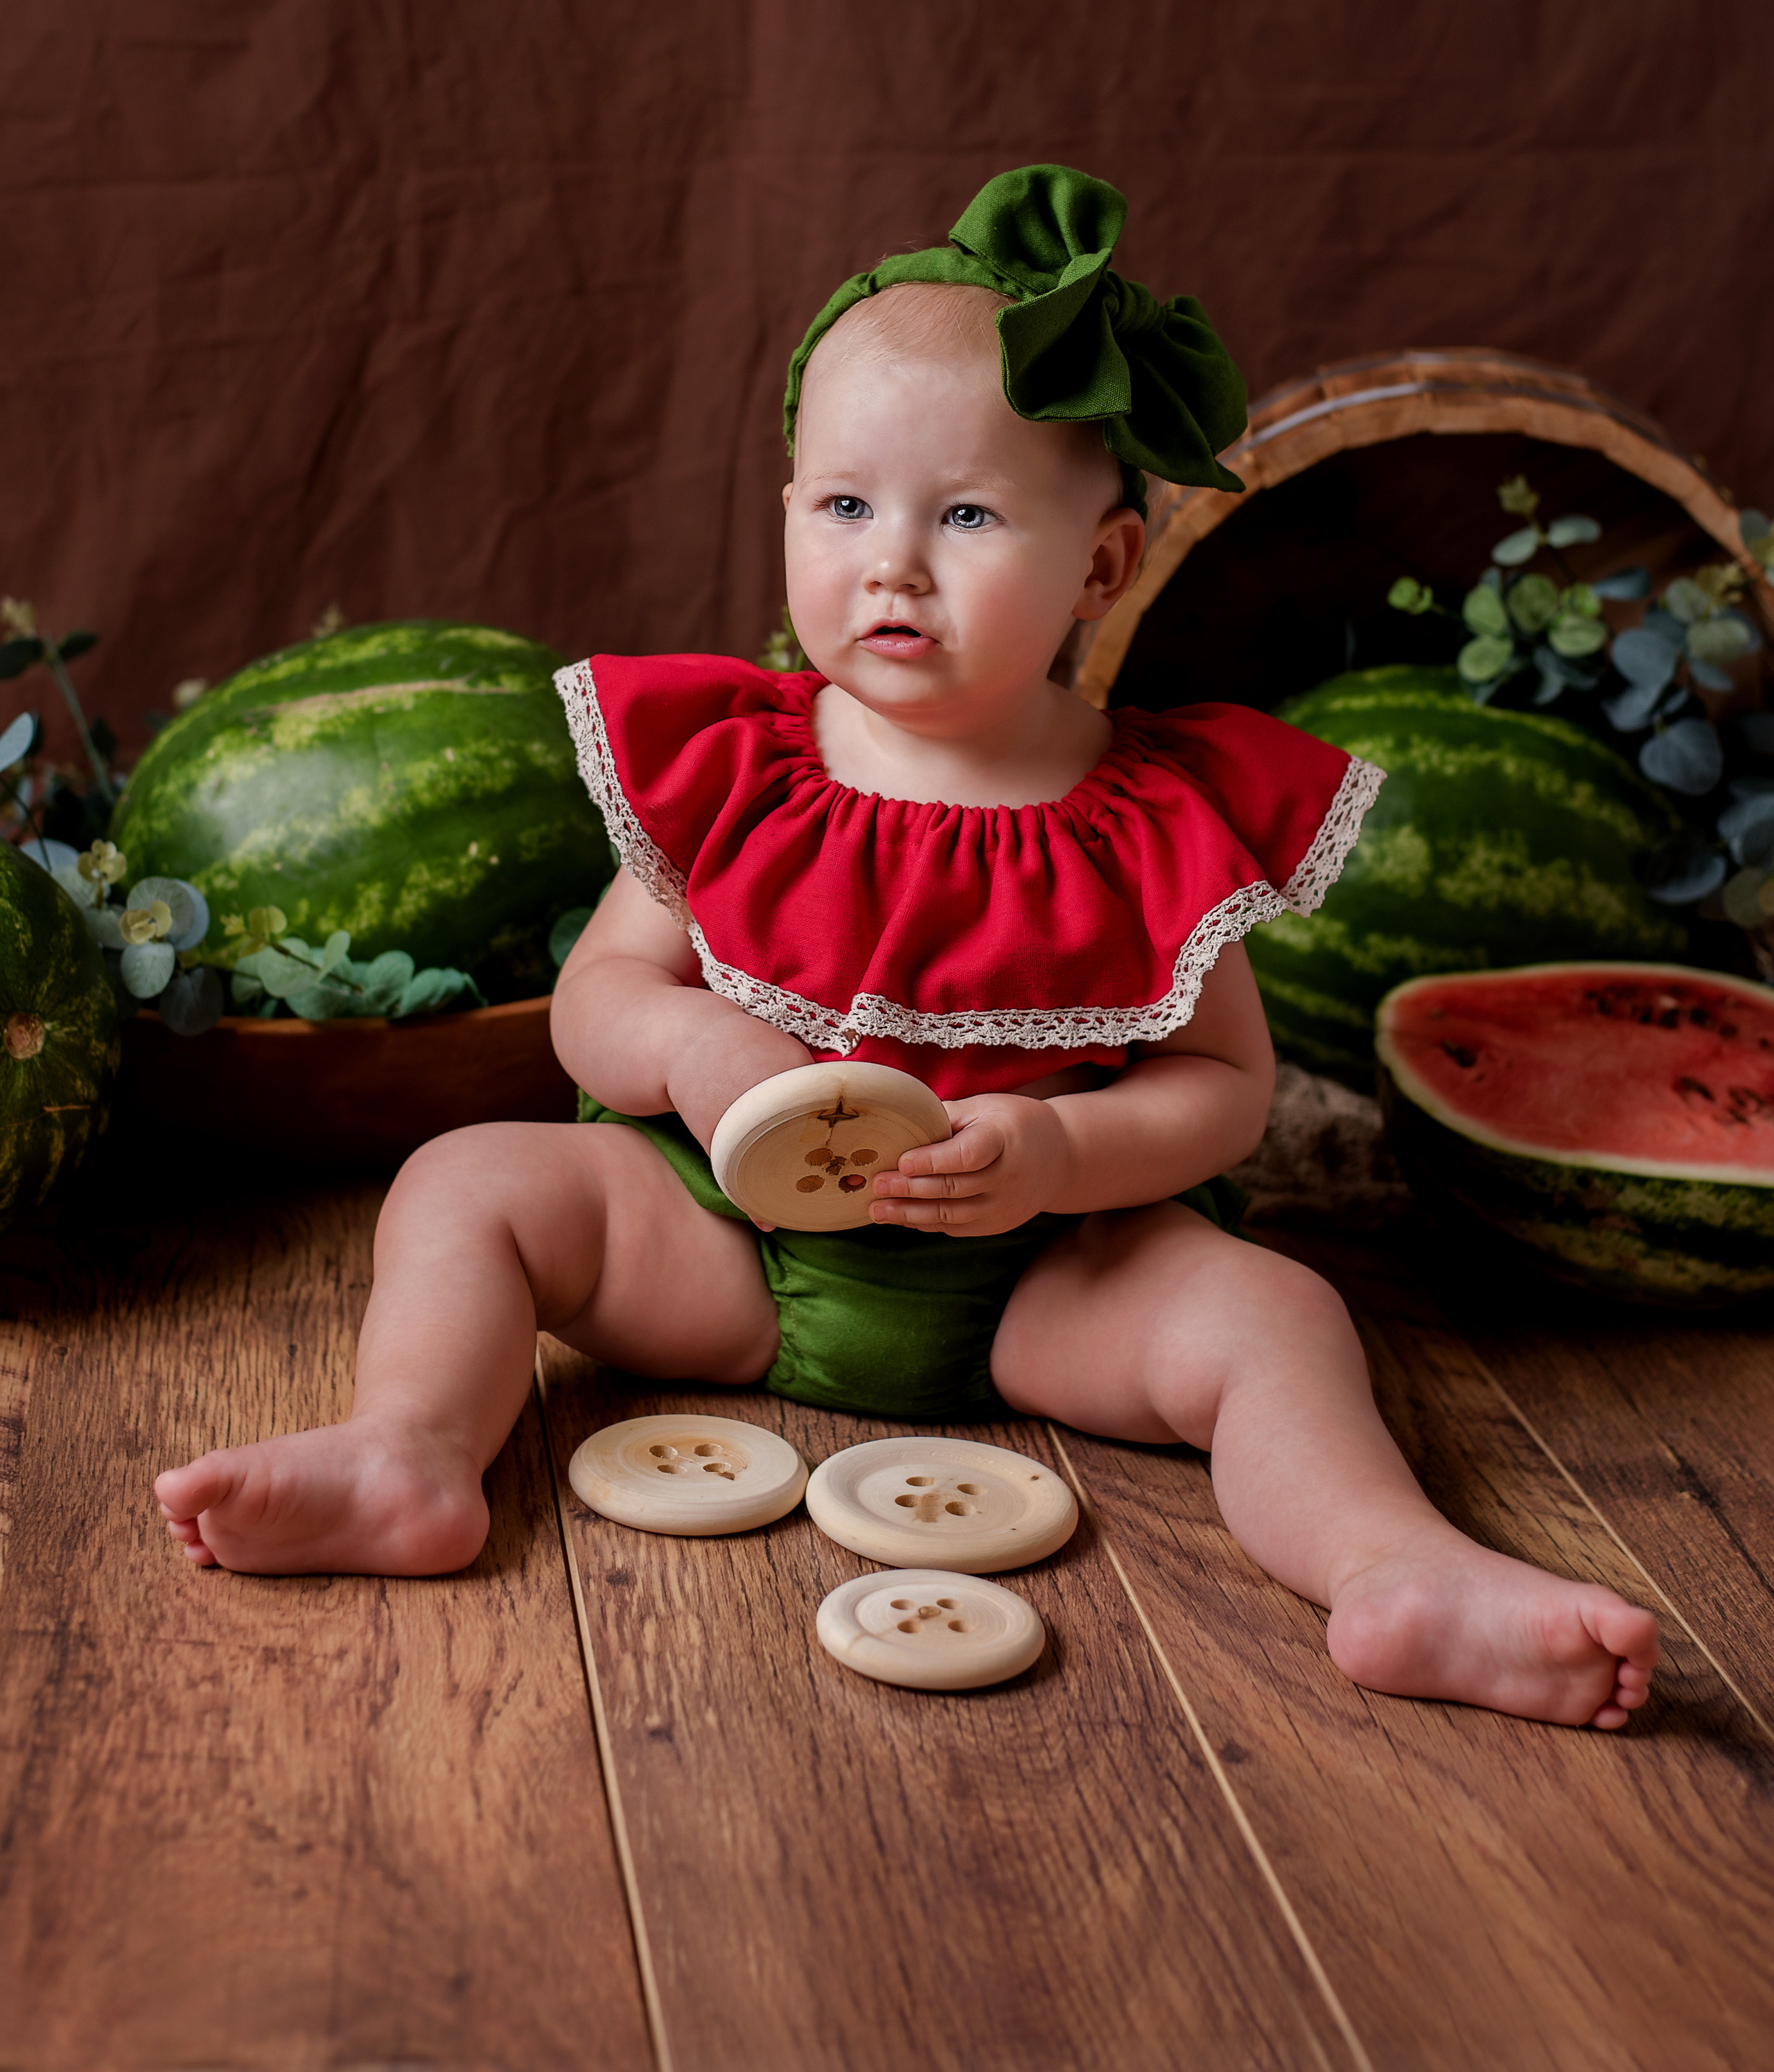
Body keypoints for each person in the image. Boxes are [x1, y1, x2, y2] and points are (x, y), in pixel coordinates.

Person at [155, 164, 1659, 1730]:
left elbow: (1224, 1092)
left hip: (1040, 1287)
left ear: (1100, 567)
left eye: (964, 514)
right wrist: (683, 1047)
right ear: (790, 513)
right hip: (722, 1247)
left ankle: (1389, 1569)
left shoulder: (1152, 814)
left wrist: (1055, 1151)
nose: (891, 559)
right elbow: (598, 999)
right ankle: (407, 1452)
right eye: (846, 505)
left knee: (1273, 1318)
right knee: (465, 1182)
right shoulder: (736, 763)